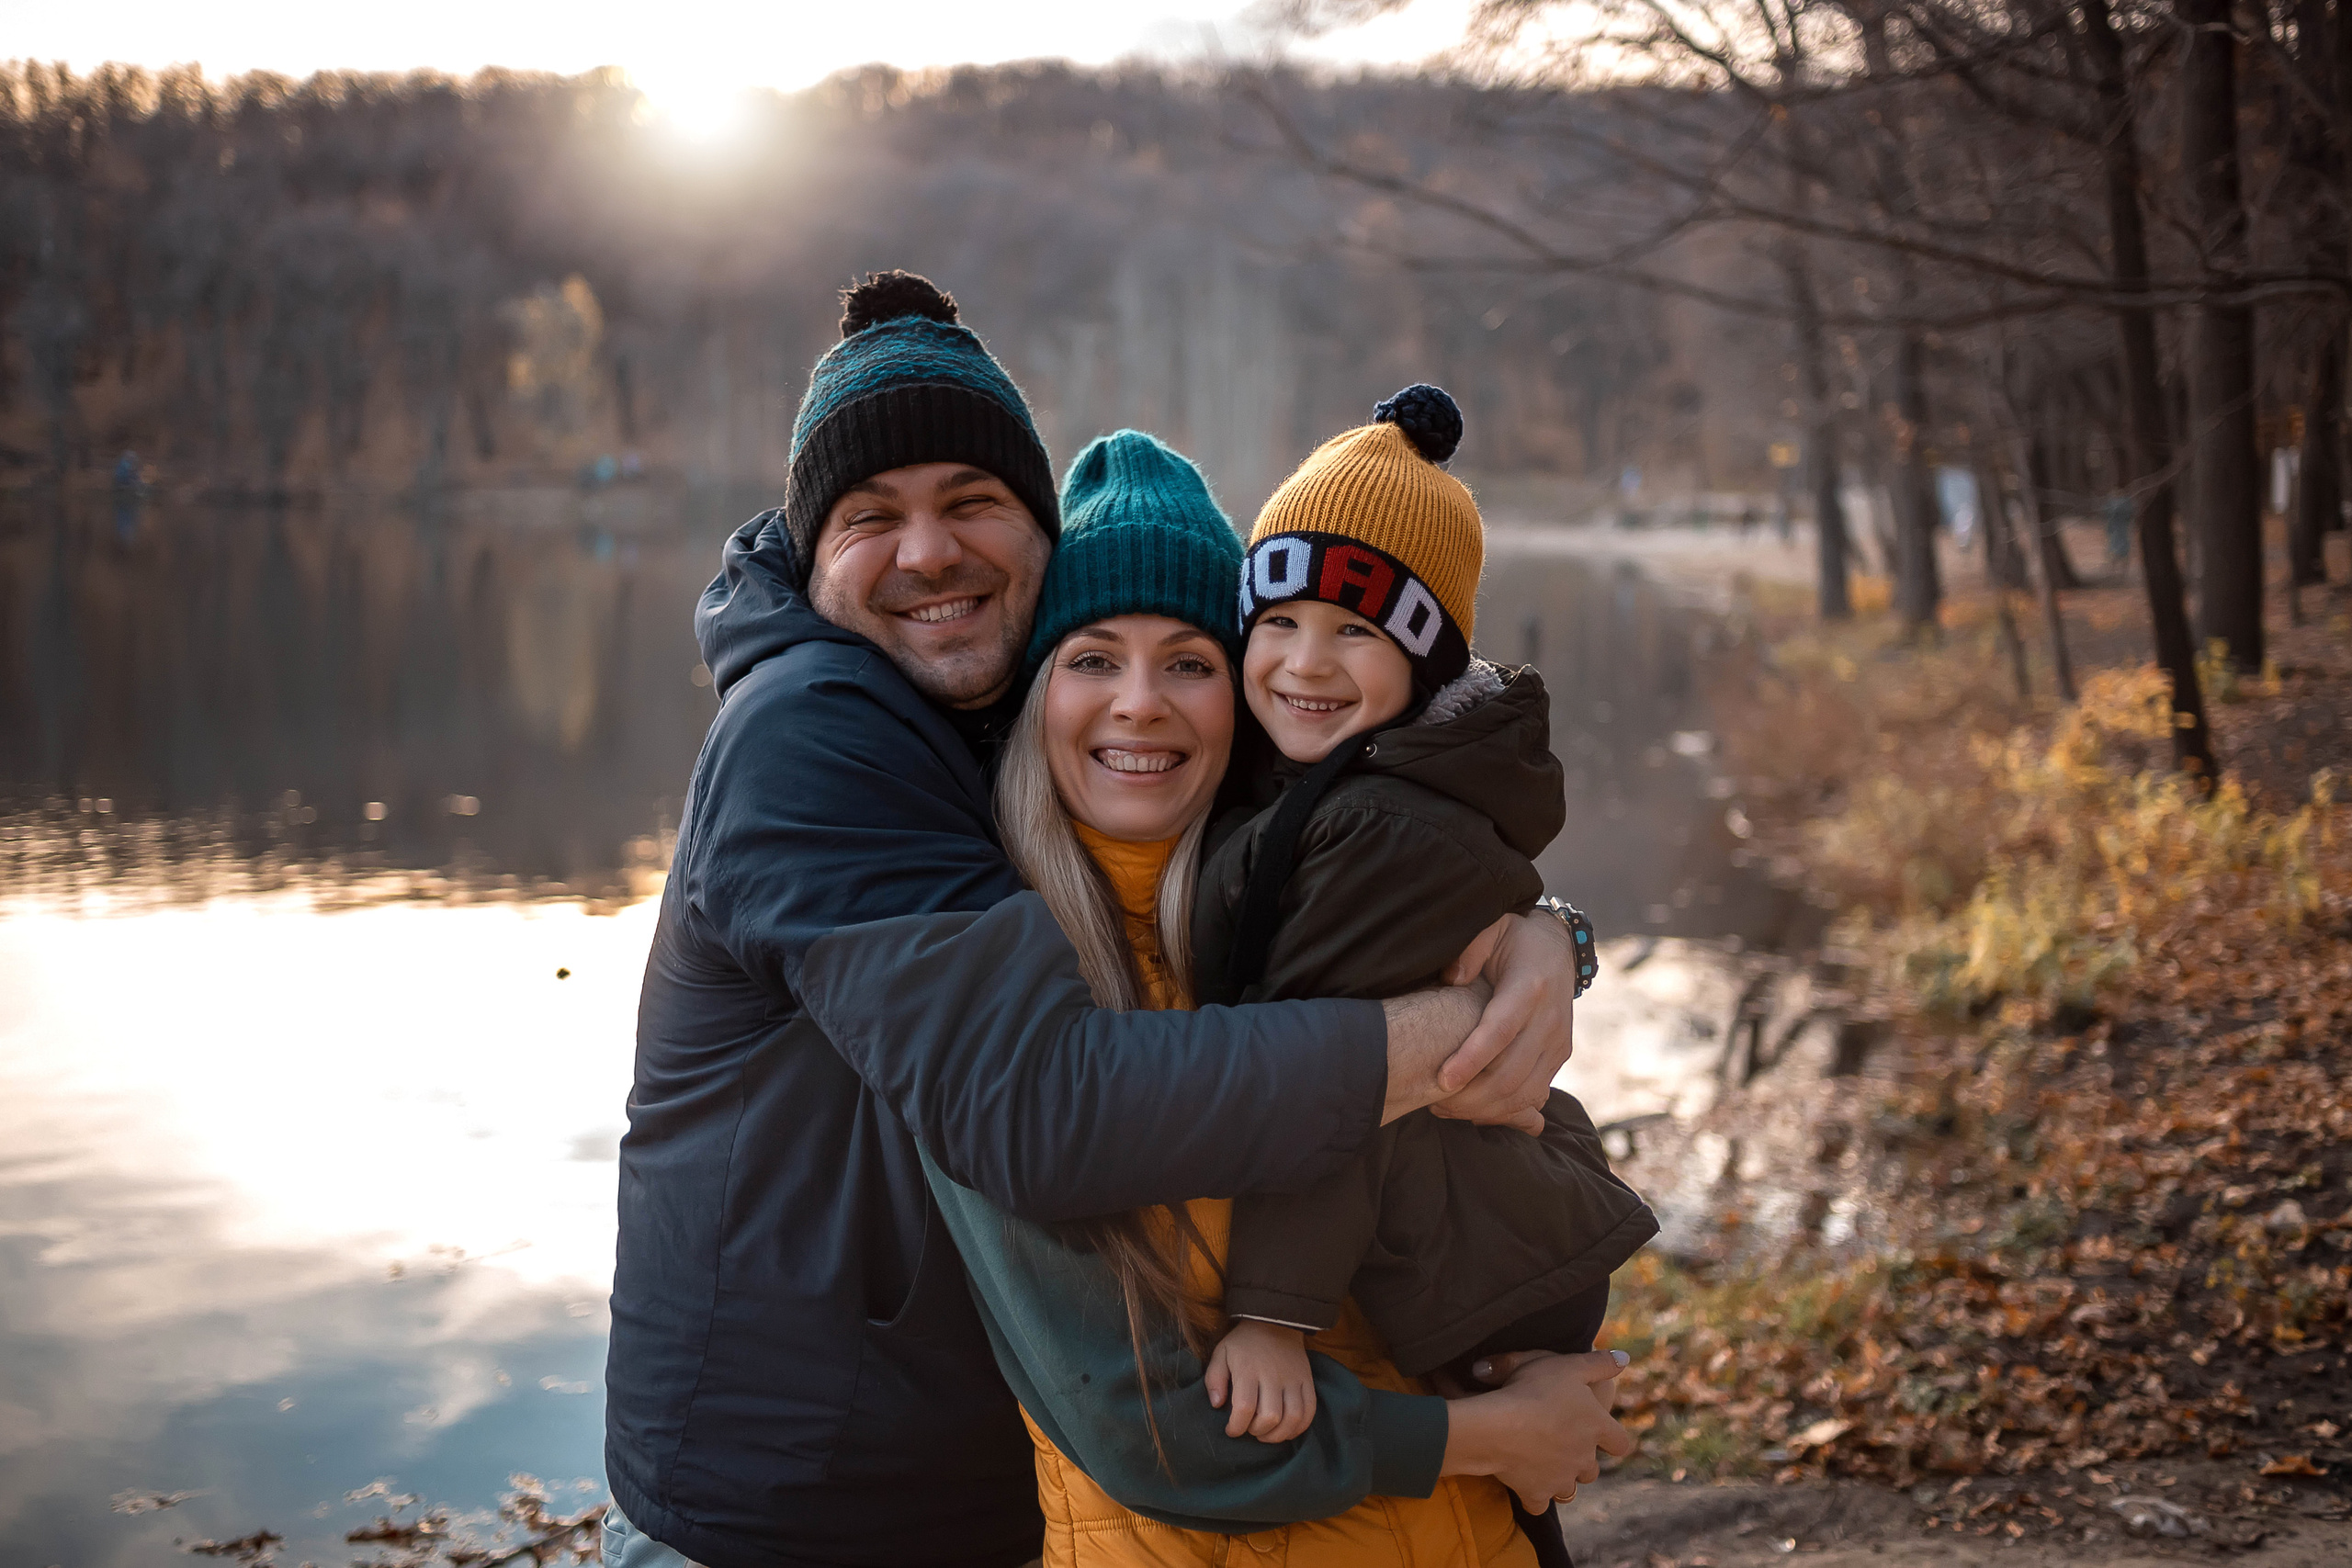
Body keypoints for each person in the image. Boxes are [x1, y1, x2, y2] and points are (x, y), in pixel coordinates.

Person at [605, 274, 1604, 1568]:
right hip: (790, 1513)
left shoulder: (1142, 808)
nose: (928, 552)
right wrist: (1458, 1033)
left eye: (971, 502)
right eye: (871, 515)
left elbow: (1393, 830)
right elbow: (1044, 1110)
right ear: (810, 546)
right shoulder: (815, 735)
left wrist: (1539, 932)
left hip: (970, 1498)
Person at [898, 425, 1633, 1567]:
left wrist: (1543, 939)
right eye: (1092, 658)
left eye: (1189, 660)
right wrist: (1485, 1434)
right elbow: (1146, 1433)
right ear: (1038, 692)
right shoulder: (996, 996)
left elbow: (1500, 1155)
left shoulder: (1282, 904)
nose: (1140, 704)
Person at [1191, 386, 1656, 1565]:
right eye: (1279, 622)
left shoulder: (1384, 831)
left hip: (1483, 1252)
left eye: (1357, 633)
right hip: (1454, 1218)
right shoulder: (1317, 787)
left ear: (1426, 658)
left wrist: (1273, 1316)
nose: (1306, 663)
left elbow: (1333, 1080)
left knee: (1503, 1503)